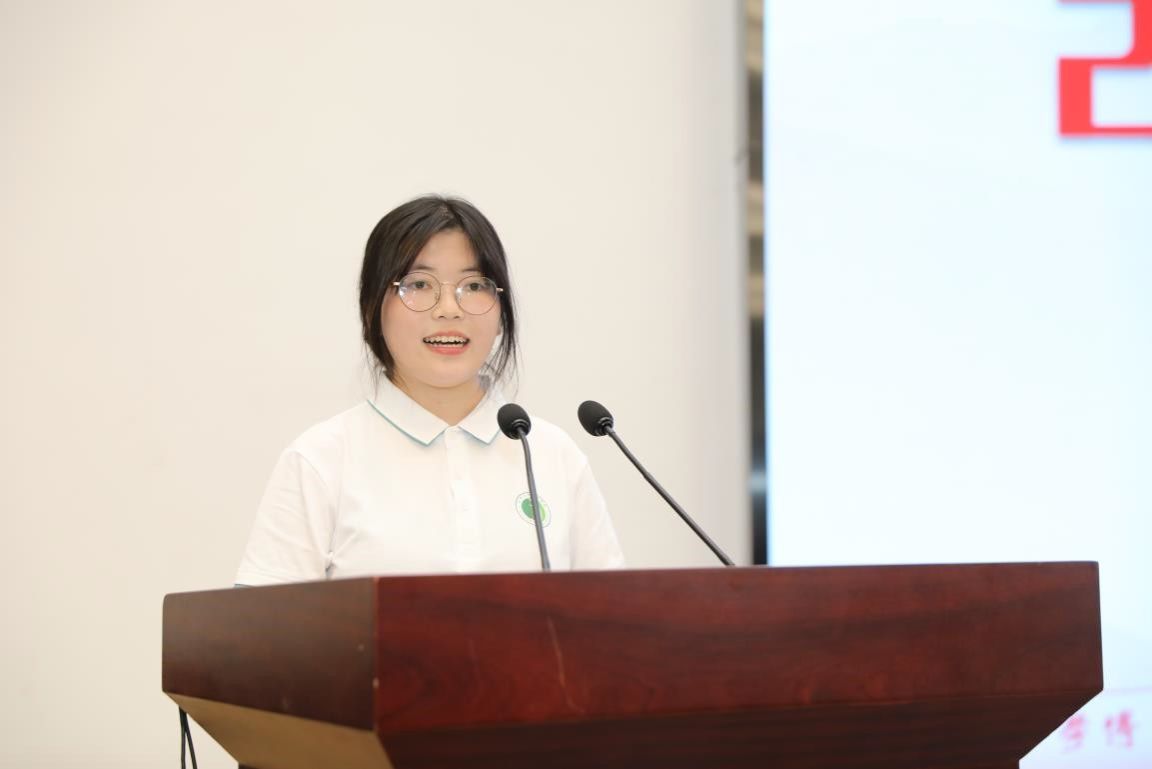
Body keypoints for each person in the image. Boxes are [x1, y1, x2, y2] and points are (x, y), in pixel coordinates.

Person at [235, 195, 625, 585]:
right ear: (372, 307)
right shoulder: (320, 460)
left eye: (474, 285)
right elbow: (265, 622)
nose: (449, 309)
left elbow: (613, 612)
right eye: (419, 284)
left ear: (500, 312)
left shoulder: (552, 455)